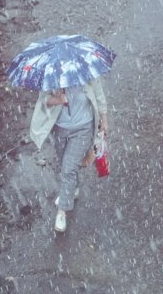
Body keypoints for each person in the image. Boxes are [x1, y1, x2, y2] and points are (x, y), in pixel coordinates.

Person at [29, 78, 108, 232]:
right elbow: (44, 100)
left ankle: (62, 212)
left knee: (68, 168)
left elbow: (98, 94)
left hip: (83, 129)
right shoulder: (52, 75)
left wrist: (104, 119)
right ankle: (73, 188)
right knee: (65, 162)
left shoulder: (86, 73)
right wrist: (58, 99)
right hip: (59, 129)